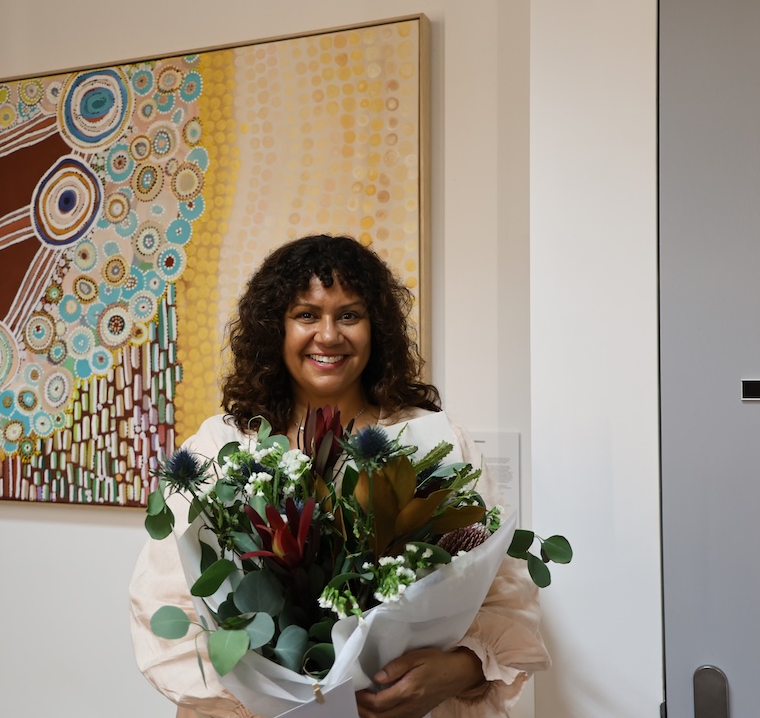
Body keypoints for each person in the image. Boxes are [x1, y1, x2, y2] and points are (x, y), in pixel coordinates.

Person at [129, 235, 550, 718]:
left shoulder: (437, 443)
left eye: (349, 315)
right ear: (274, 329)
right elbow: (167, 606)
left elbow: (508, 600)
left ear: (377, 330)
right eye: (306, 315)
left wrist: (457, 668)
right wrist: (251, 703)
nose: (328, 335)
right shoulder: (218, 451)